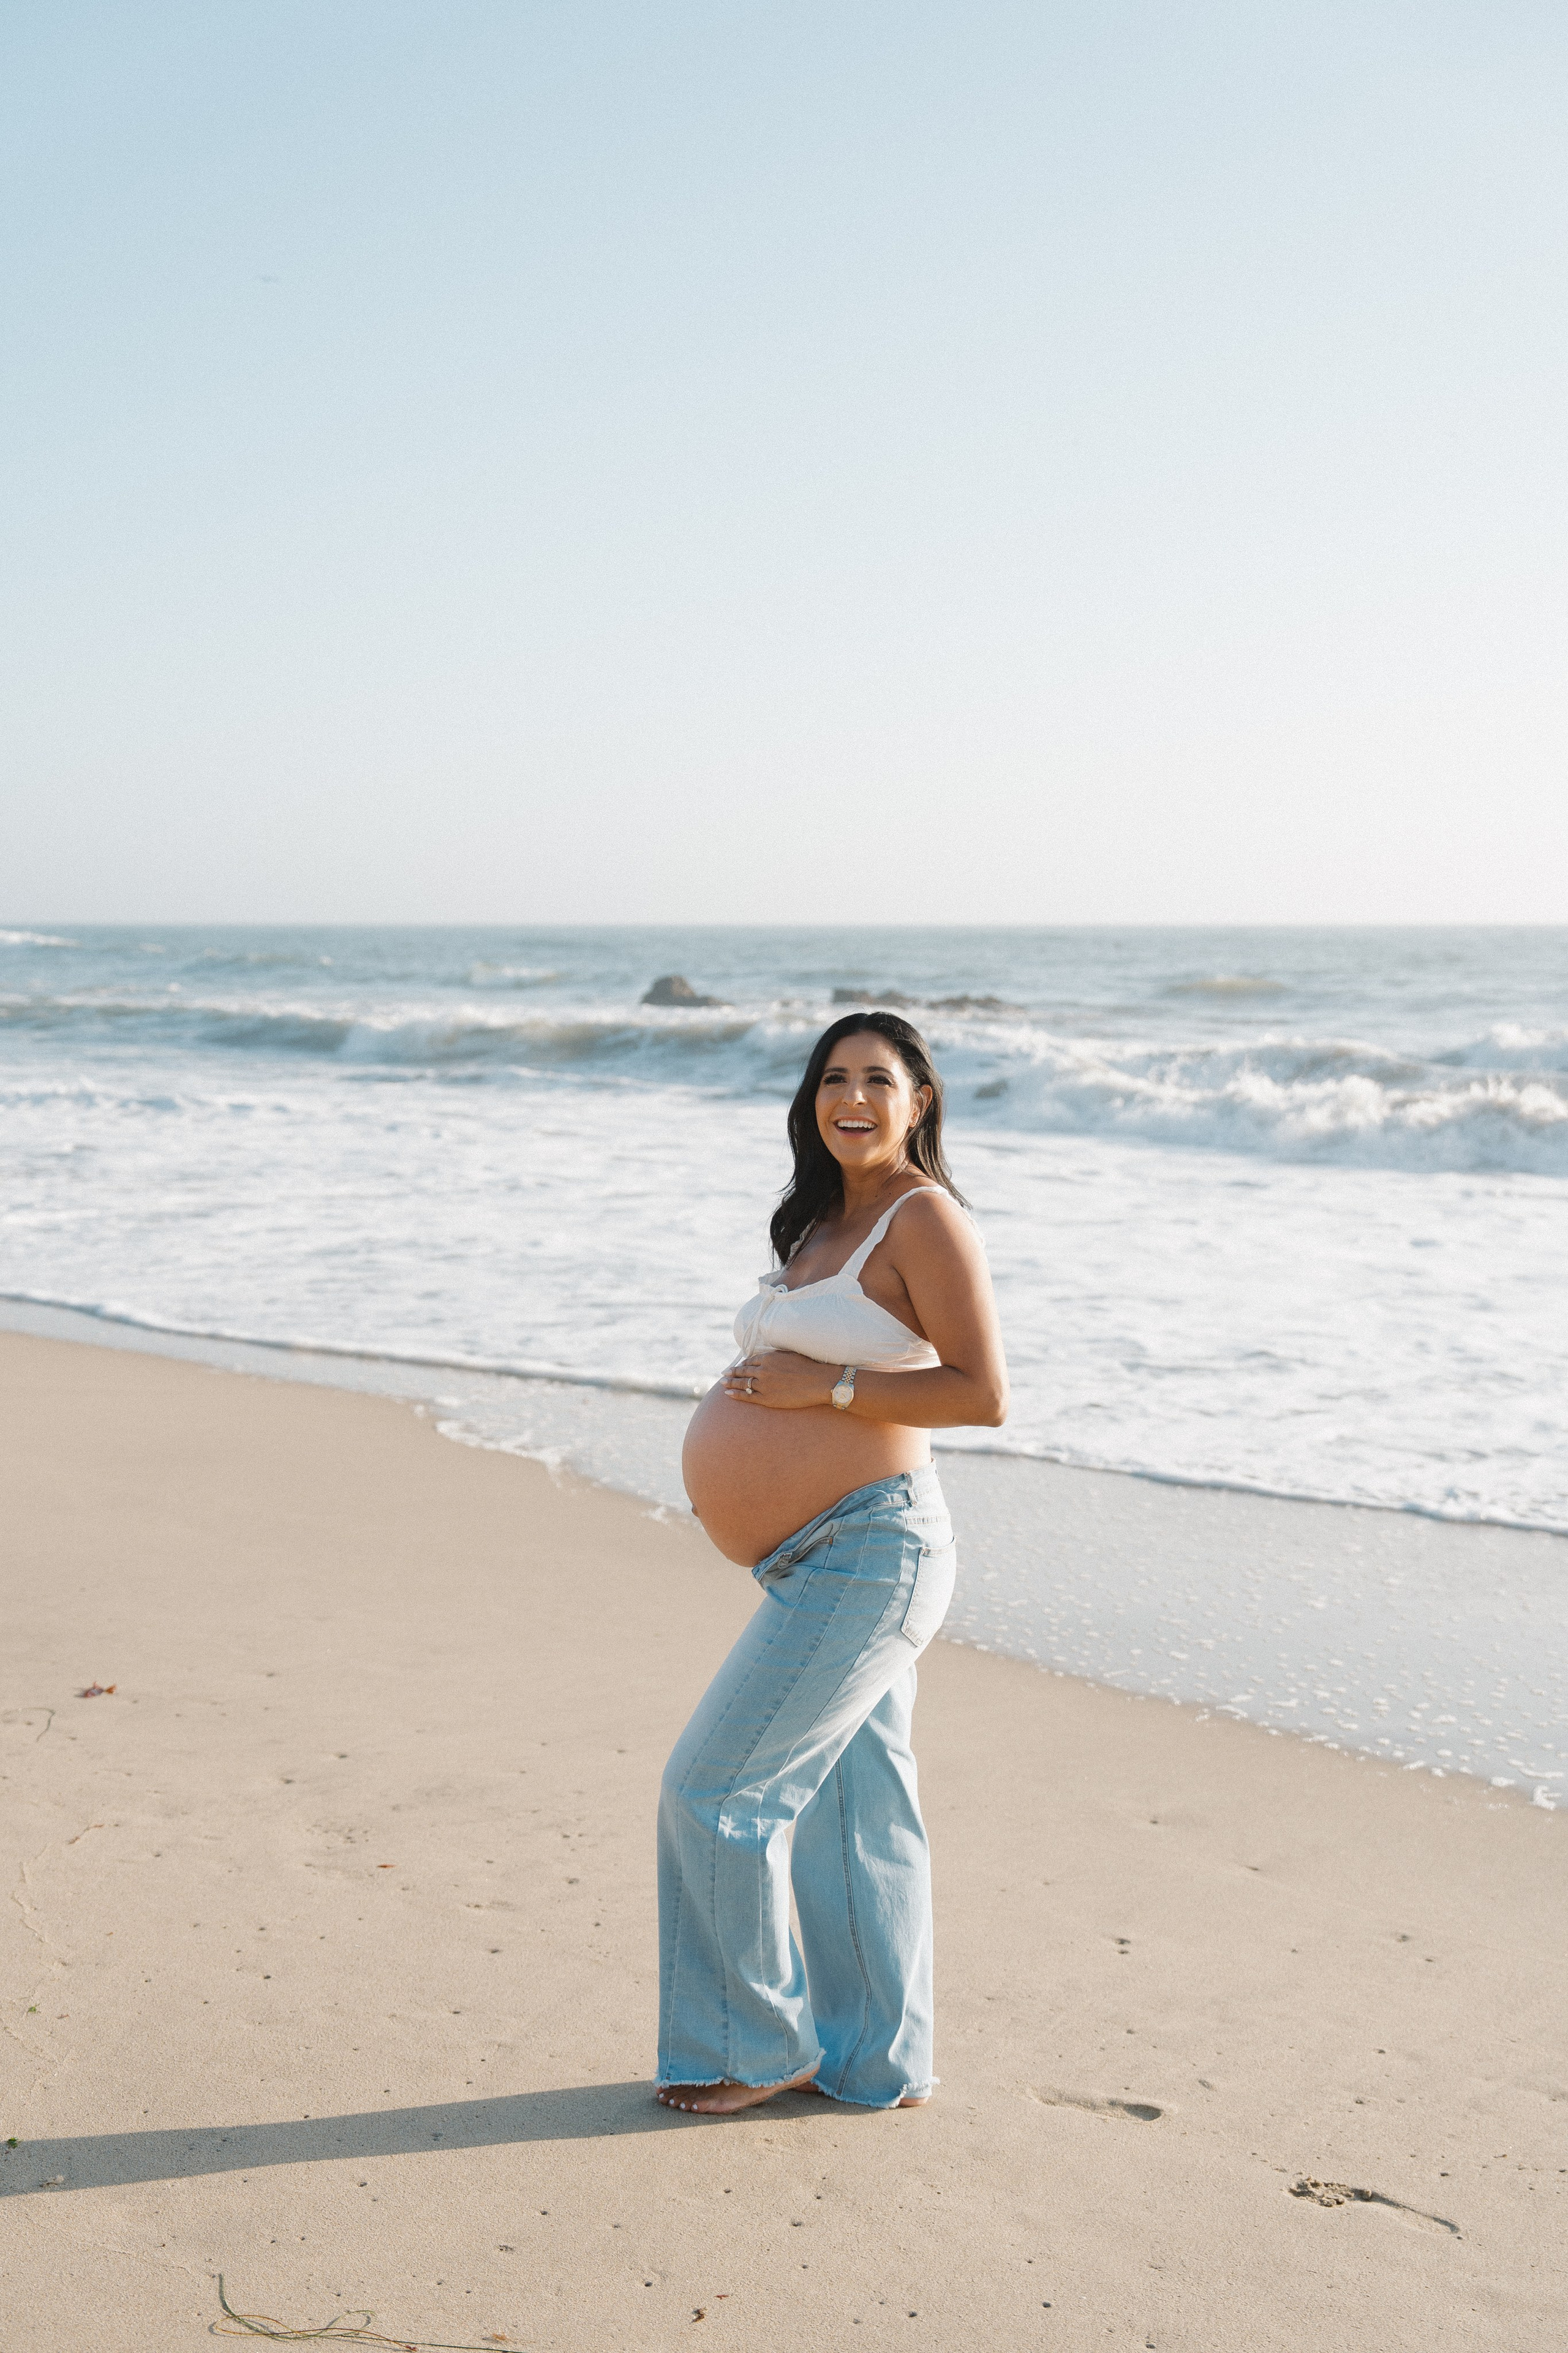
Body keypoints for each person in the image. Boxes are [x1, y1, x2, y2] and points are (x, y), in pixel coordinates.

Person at [658, 1010, 1008, 2117]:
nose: (851, 1096)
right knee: (856, 1816)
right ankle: (880, 2065)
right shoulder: (822, 1219)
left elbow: (981, 1392)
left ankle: (754, 2046)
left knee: (715, 1790)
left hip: (875, 1549)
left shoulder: (925, 1219)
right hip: (815, 1559)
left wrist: (832, 1392)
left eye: (878, 1079)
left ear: (920, 1102)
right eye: (833, 1078)